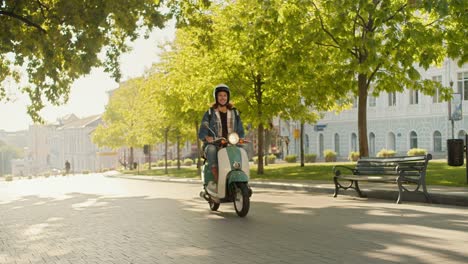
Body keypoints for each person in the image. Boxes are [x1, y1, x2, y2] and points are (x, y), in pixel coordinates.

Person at [198, 84, 245, 187]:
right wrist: (206, 137)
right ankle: (216, 175)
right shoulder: (210, 113)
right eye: (220, 95)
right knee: (211, 149)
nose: (222, 97)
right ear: (216, 97)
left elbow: (240, 129)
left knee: (241, 151)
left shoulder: (234, 112)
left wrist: (241, 137)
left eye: (225, 95)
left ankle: (242, 178)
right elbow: (203, 129)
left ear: (228, 97)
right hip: (215, 143)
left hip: (231, 142)